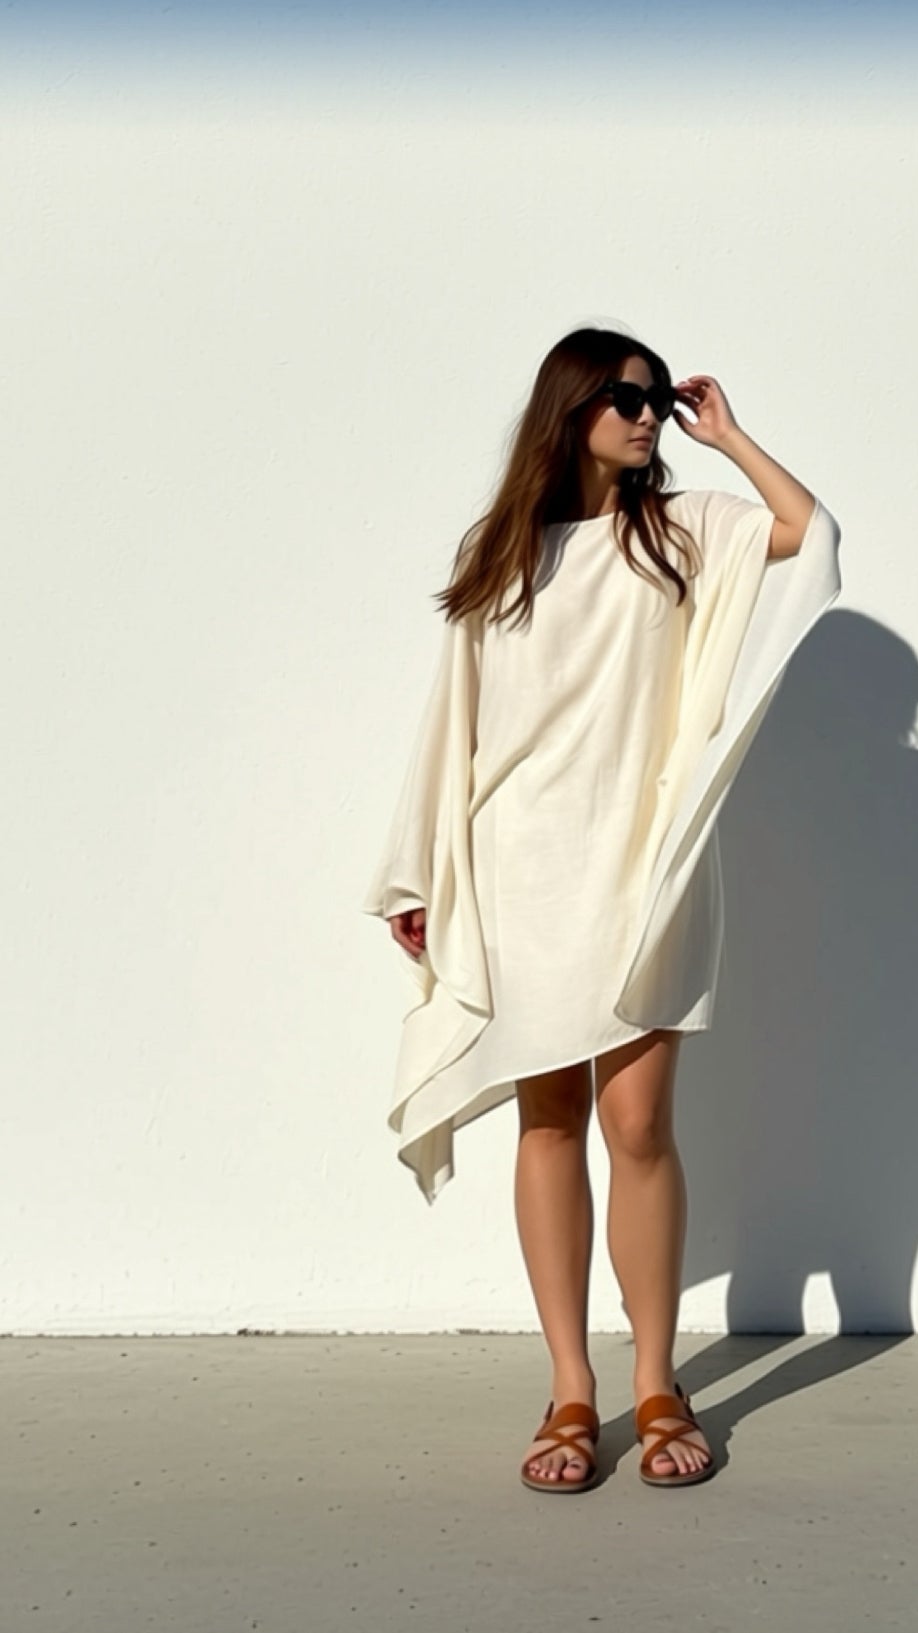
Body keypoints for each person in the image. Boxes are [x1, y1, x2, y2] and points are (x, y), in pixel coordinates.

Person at [361, 326, 842, 1491]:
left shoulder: (680, 533)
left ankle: (656, 1382)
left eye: (653, 397)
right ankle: (572, 1387)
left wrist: (725, 435)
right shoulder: (503, 552)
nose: (645, 414)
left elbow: (807, 533)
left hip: (637, 867)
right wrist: (422, 871)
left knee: (636, 1126)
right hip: (517, 864)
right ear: (568, 408)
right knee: (545, 1124)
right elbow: (453, 723)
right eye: (623, 397)